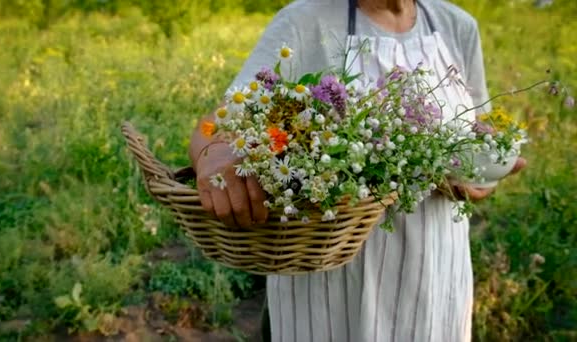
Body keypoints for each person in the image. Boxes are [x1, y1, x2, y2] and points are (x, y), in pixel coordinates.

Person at [189, 0, 526, 341]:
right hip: (332, 277)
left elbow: (479, 134)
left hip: (435, 267)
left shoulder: (456, 25)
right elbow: (223, 122)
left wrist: (481, 178)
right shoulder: (306, 19)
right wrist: (214, 155)